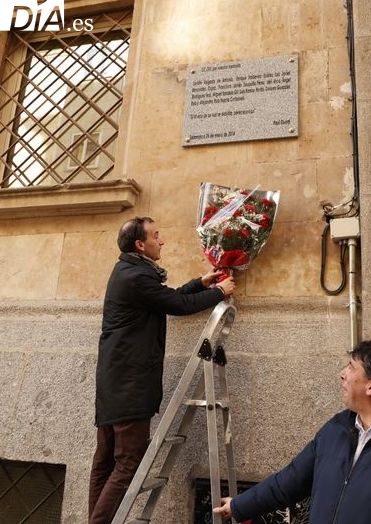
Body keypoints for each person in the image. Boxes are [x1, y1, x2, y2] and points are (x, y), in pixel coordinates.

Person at [213, 339, 371, 524]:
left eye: (351, 367)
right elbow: (290, 481)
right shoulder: (335, 430)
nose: (342, 374)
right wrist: (239, 506)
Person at [89, 216, 235, 524]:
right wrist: (220, 291)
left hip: (115, 383)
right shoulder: (136, 277)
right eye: (157, 236)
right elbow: (177, 305)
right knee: (127, 464)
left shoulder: (131, 272)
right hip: (128, 386)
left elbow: (167, 297)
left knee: (105, 463)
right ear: (140, 244)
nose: (162, 240)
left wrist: (201, 283)